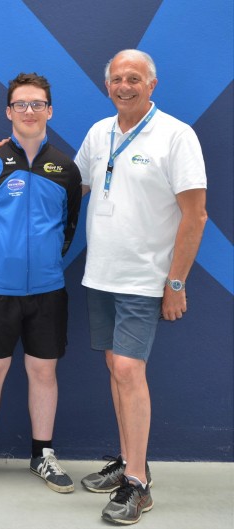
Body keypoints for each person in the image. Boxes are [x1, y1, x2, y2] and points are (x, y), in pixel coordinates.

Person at [75, 49, 207, 524]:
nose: (124, 86)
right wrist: (17, 162)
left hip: (144, 278)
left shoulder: (177, 135)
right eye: (117, 78)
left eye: (134, 78)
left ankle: (138, 485)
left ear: (152, 84)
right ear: (107, 84)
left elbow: (196, 215)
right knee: (116, 366)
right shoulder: (98, 132)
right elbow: (76, 186)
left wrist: (176, 281)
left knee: (129, 370)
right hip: (101, 274)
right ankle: (131, 460)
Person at [0, 73, 81, 494]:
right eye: (21, 104)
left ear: (50, 111)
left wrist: (45, 262)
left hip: (47, 289)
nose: (29, 111)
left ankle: (43, 454)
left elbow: (68, 227)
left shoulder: (65, 169)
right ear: (8, 111)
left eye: (37, 104)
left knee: (43, 372)